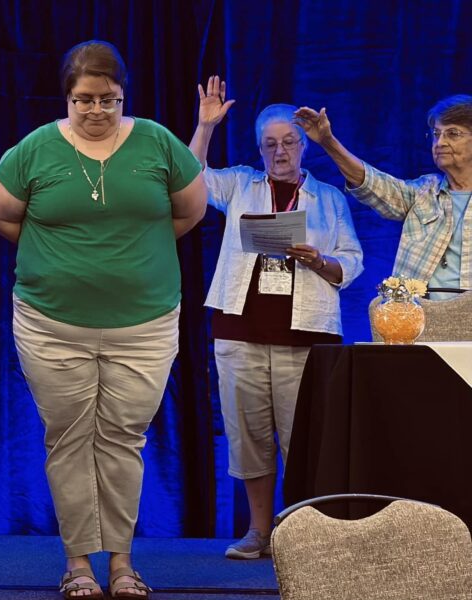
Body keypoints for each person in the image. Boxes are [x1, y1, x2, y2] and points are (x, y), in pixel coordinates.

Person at [0, 40, 207, 599]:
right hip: (51, 324)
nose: (96, 110)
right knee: (68, 439)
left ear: (123, 95)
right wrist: (64, 257)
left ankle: (123, 564)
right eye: (84, 99)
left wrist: (131, 253)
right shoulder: (34, 149)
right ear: (67, 97)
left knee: (122, 438)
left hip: (146, 324)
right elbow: (0, 216)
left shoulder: (157, 141)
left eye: (109, 99)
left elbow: (189, 211)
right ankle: (78, 564)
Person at [189, 77, 363, 559]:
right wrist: (205, 127)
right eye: (270, 144)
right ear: (259, 148)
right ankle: (259, 532)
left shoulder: (328, 197)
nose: (279, 152)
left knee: (301, 438)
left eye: (288, 142)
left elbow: (352, 259)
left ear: (304, 146)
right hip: (240, 329)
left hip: (304, 335)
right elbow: (190, 177)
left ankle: (301, 536)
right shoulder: (242, 184)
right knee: (247, 437)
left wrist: (319, 262)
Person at [294, 97, 472, 299]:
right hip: (418, 321)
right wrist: (328, 142)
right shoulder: (425, 192)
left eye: (453, 134)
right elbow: (371, 183)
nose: (440, 143)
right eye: (436, 134)